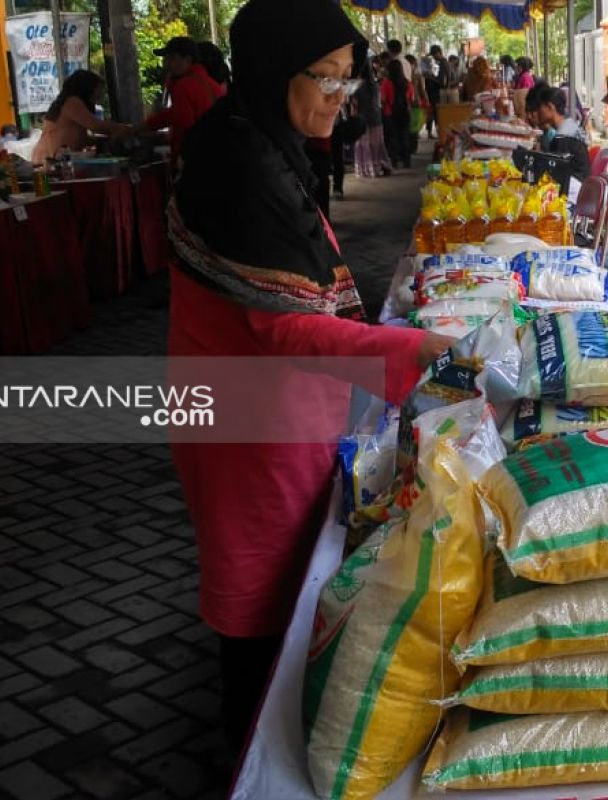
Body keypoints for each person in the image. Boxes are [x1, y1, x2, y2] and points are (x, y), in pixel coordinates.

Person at [169, 0, 455, 750]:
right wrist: (404, 351)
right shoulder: (235, 164)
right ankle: (251, 752)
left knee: (290, 574)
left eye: (347, 81)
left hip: (278, 402)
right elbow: (277, 323)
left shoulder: (269, 146)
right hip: (246, 418)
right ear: (270, 72)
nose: (339, 97)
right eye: (323, 79)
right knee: (259, 592)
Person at [131, 37, 223, 167]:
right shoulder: (211, 84)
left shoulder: (183, 86)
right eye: (166, 58)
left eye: (172, 58)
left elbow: (184, 126)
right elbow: (174, 114)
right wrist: (140, 128)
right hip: (218, 157)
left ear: (187, 60)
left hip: (197, 161)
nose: (166, 63)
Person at [32, 70, 131, 163]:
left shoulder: (69, 102)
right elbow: (96, 126)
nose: (102, 93)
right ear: (87, 88)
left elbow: (79, 137)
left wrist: (104, 141)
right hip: (49, 160)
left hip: (51, 158)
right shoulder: (72, 102)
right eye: (99, 89)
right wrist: (126, 129)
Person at [529, 84, 589, 183]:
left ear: (550, 107)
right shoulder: (571, 125)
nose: (538, 112)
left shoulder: (562, 139)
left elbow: (555, 176)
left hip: (574, 190)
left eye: (540, 107)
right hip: (581, 183)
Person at [351, 61, 390, 177]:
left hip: (363, 119)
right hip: (376, 118)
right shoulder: (375, 85)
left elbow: (354, 106)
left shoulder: (356, 86)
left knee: (363, 144)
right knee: (377, 144)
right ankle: (381, 165)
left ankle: (367, 169)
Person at [382, 59, 412, 169]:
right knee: (405, 137)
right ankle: (406, 162)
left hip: (390, 112)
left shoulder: (386, 82)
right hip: (405, 112)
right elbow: (411, 98)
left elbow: (383, 99)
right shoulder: (407, 82)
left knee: (392, 138)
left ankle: (394, 162)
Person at [405, 53, 428, 154]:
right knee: (410, 127)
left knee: (413, 127)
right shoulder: (413, 75)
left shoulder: (417, 76)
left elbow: (422, 90)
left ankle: (412, 148)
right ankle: (410, 147)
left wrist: (426, 100)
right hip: (410, 103)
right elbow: (422, 90)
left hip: (414, 103)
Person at [424, 45, 448, 139]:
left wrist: (430, 77)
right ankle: (432, 131)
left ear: (439, 52)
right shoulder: (436, 62)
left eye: (434, 54)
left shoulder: (443, 63)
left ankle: (439, 132)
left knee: (437, 112)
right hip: (433, 92)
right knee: (432, 112)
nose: (433, 57)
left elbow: (442, 80)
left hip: (438, 92)